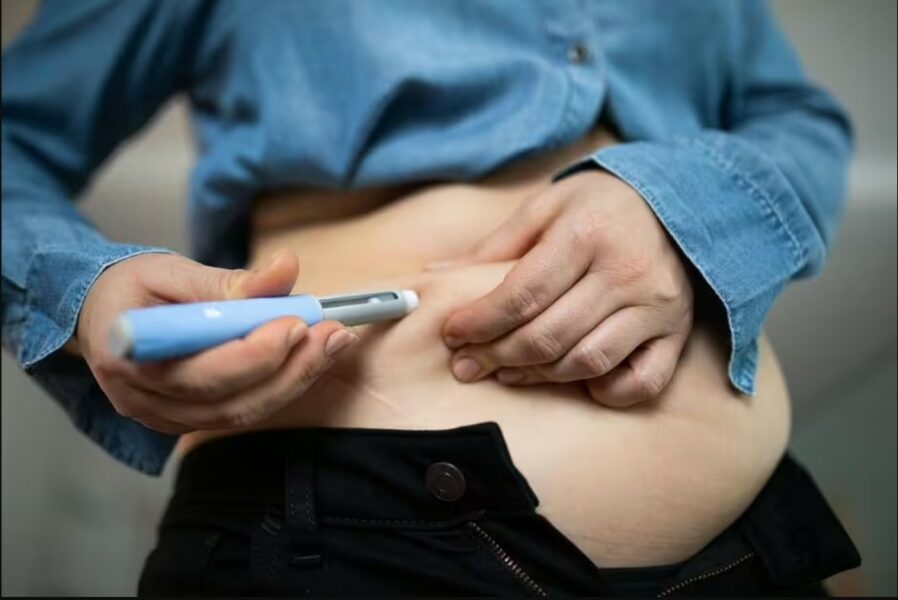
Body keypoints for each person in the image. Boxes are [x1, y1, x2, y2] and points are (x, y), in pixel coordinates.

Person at [2, 0, 861, 595]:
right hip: (347, 539)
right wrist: (82, 289)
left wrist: (684, 205)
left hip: (752, 541)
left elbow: (804, 122)